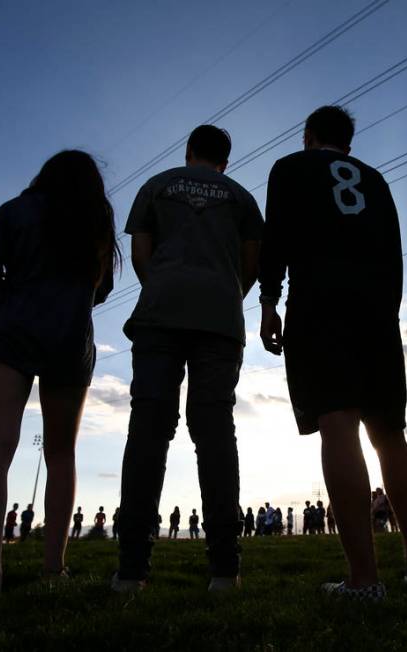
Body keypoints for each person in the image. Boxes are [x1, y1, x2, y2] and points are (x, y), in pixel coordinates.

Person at [259, 106, 407, 602]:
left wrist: (269, 301)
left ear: (308, 136)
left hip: (320, 303)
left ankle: (365, 579)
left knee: (338, 424)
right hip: (377, 311)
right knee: (390, 435)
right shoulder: (377, 179)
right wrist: (388, 311)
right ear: (349, 144)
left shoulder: (291, 168)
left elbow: (277, 236)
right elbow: (394, 250)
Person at [112, 125, 263, 594]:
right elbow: (252, 261)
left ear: (189, 152)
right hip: (220, 318)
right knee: (215, 431)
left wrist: (164, 286)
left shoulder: (157, 185)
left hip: (161, 313)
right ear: (226, 160)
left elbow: (141, 255)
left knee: (149, 430)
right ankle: (224, 570)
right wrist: (226, 295)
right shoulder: (240, 196)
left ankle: (132, 572)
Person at [0, 150, 117, 592]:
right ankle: (54, 568)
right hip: (70, 341)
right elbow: (103, 289)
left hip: (9, 335)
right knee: (61, 455)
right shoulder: (96, 222)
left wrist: (10, 295)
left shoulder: (16, 210)